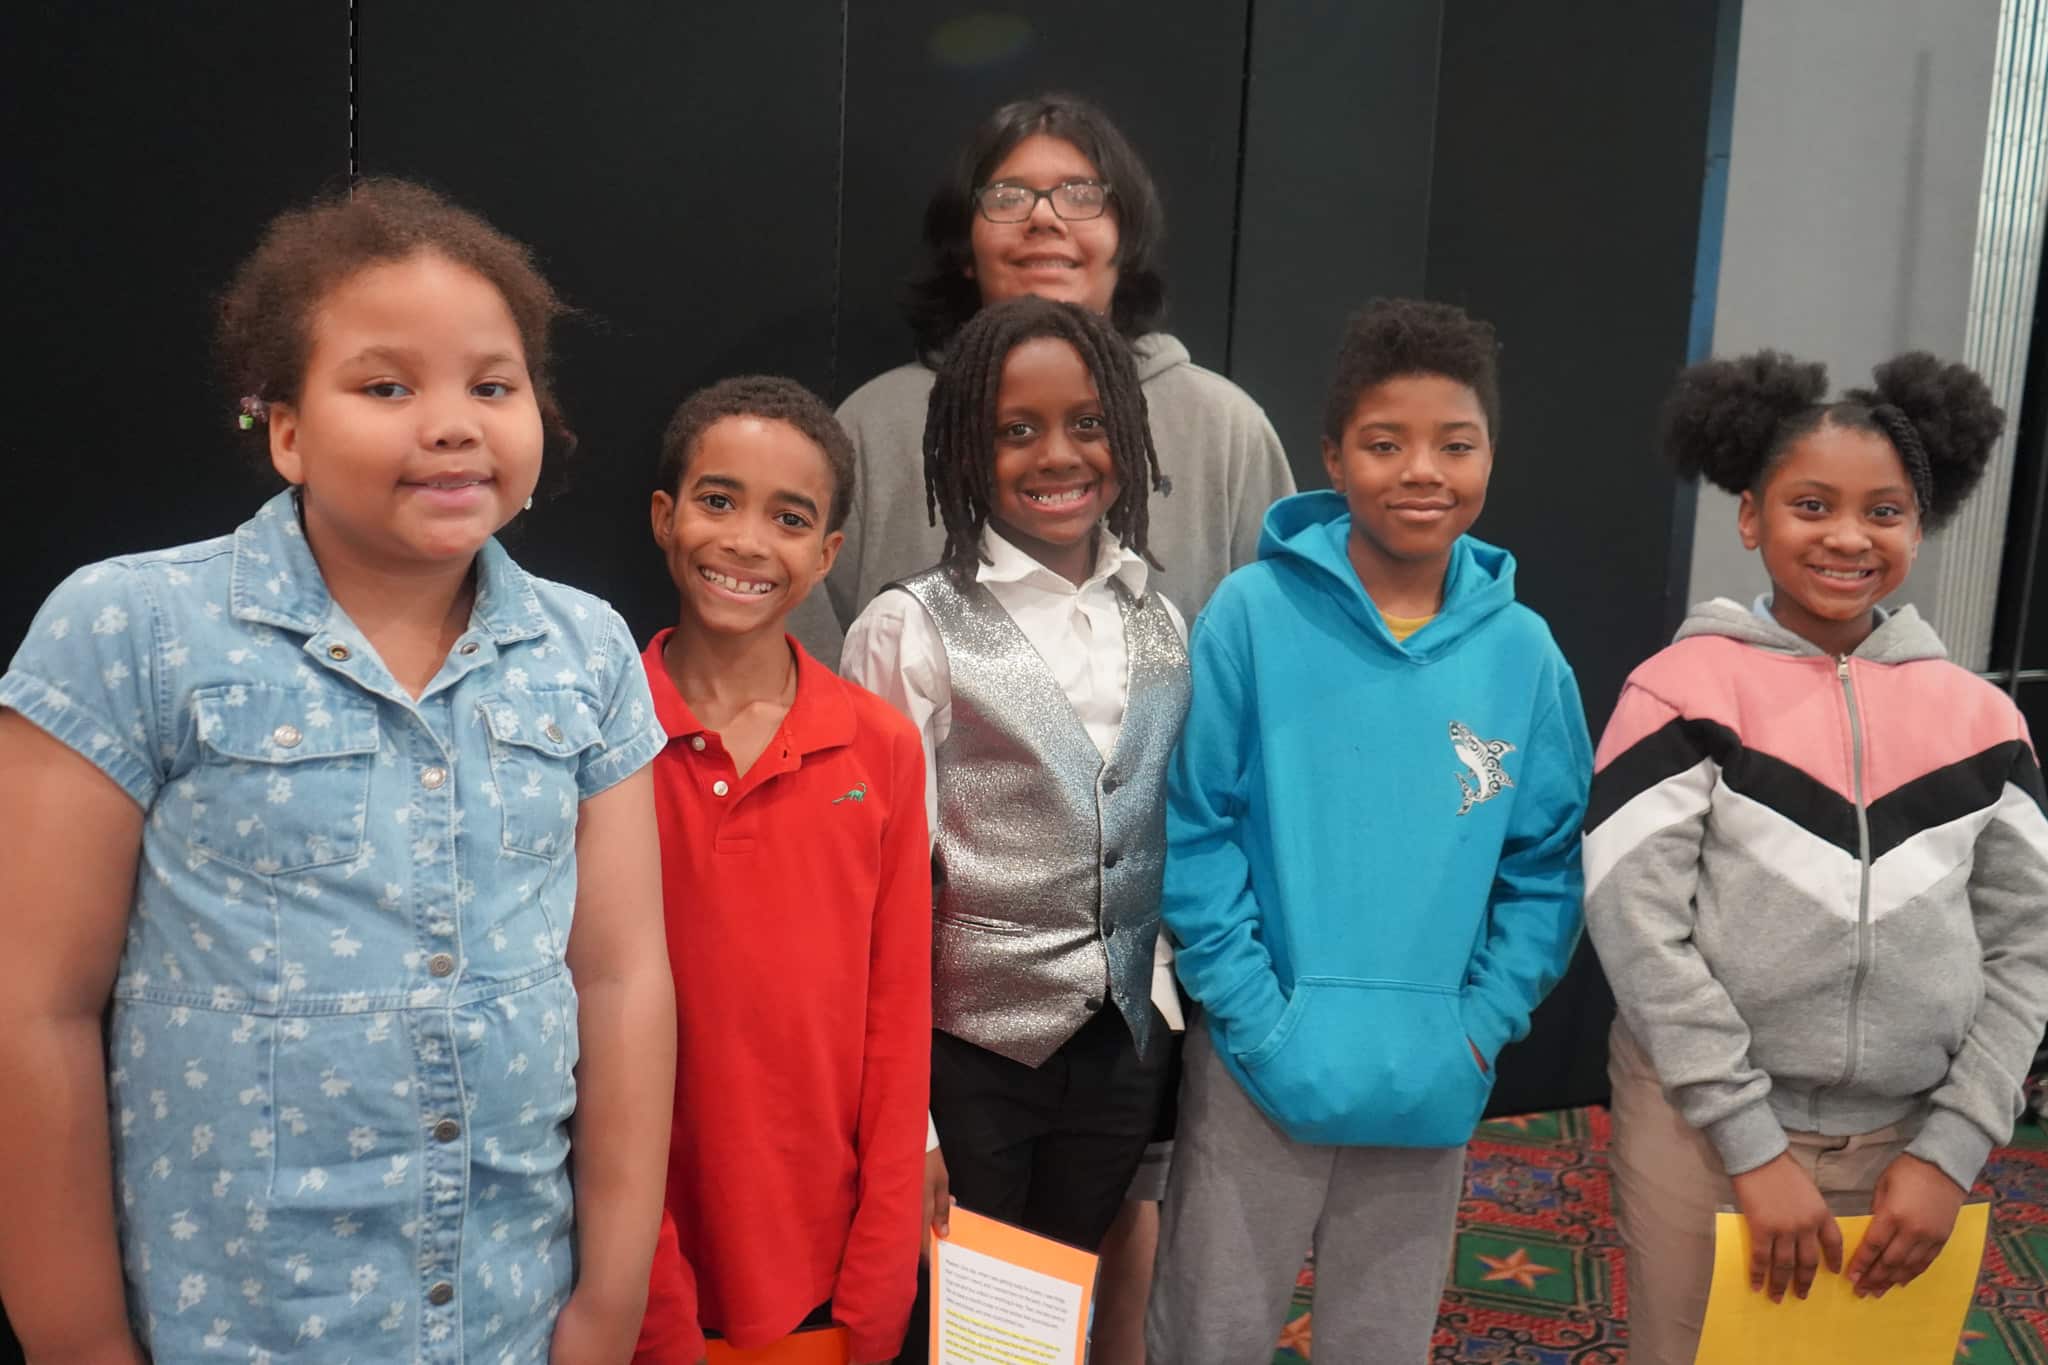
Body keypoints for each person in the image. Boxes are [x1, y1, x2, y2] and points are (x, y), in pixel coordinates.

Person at [0, 180, 676, 1363]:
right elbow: (32, 1006)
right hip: (230, 1325)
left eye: (492, 384)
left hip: (503, 1319)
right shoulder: (131, 629)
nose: (454, 423)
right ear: (287, 429)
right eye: (385, 386)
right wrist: (75, 1343)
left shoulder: (588, 650)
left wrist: (605, 1305)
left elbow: (622, 984)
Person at [798, 92, 1293, 1359]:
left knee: (1061, 1297)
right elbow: (861, 845)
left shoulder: (1168, 590)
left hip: (1124, 1023)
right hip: (958, 1031)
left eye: (1078, 192)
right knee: (940, 1301)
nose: (1044, 219)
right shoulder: (905, 597)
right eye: (1008, 194)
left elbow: (1208, 768)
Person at [1148, 299, 1591, 1363]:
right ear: (1332, 457)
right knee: (1209, 1333)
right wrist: (1256, 1018)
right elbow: (1196, 831)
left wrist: (1476, 1024)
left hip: (1430, 1068)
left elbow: (1544, 869)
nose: (1419, 471)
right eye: (1384, 444)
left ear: (1490, 454)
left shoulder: (1525, 654)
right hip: (1255, 1063)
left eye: (1454, 443)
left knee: (1380, 1341)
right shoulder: (1251, 614)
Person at [1583, 349, 2048, 1365]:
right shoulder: (1676, 694)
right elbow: (1636, 930)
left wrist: (1952, 1149)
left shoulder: (1982, 720)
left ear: (1919, 527)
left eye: (1882, 511)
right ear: (1749, 517)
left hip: (1910, 1143)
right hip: (1697, 1135)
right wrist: (1749, 1147)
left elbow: (2027, 951)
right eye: (1809, 504)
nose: (1846, 536)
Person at [842, 296, 1188, 1365]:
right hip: (968, 1052)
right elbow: (872, 895)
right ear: (962, 448)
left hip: (1122, 1044)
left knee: (1058, 1302)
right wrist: (918, 1123)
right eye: (1014, 428)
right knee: (964, 1320)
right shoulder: (908, 626)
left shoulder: (1161, 617)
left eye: (1087, 423)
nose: (1057, 454)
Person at [628, 377, 929, 1365]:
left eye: (788, 517)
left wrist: (881, 1274)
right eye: (718, 501)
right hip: (630, 1265)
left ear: (826, 554)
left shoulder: (878, 747)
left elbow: (895, 1020)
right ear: (665, 517)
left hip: (816, 1279)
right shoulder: (600, 735)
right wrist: (642, 1281)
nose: (748, 541)